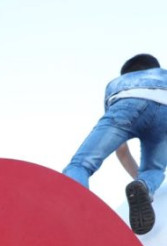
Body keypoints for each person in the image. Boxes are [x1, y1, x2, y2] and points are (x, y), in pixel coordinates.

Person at [63, 53, 167, 235]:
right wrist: (141, 184)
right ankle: (145, 185)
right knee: (155, 170)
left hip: (127, 103)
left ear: (126, 74)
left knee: (81, 165)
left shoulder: (117, 83)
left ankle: (75, 210)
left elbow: (122, 150)